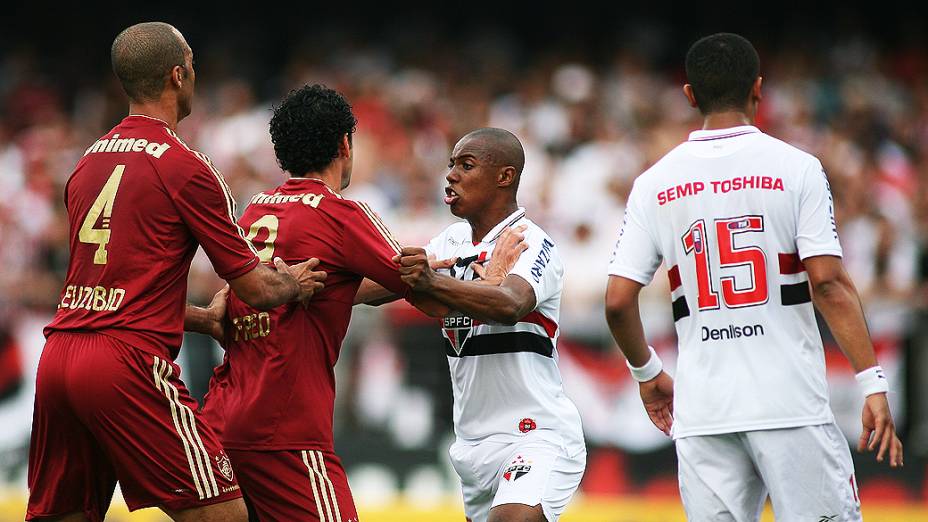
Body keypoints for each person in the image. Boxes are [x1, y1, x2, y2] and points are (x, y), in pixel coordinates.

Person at [27, 22, 325, 522]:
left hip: (58, 358)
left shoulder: (86, 163)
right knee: (223, 514)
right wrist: (295, 281)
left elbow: (104, 291)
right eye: (192, 62)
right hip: (126, 364)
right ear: (178, 75)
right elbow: (253, 284)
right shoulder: (185, 165)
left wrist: (202, 320)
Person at [604, 32, 903, 521]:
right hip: (790, 405)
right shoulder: (798, 169)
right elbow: (826, 282)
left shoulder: (653, 183)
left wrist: (647, 373)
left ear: (690, 96)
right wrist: (870, 380)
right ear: (758, 90)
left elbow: (617, 300)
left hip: (704, 412)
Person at [190, 85, 525, 522]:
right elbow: (427, 296)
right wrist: (493, 282)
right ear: (345, 144)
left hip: (222, 422)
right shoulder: (341, 214)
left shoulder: (256, 210)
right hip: (287, 434)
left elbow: (335, 286)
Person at [386, 128, 586, 522]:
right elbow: (375, 285)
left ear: (504, 176)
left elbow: (510, 303)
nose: (451, 175)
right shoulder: (450, 242)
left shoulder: (530, 241)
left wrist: (435, 284)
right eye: (451, 165)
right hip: (472, 445)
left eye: (466, 165)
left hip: (535, 435)